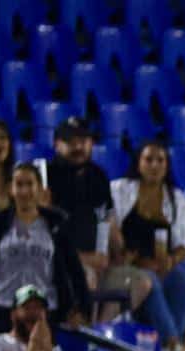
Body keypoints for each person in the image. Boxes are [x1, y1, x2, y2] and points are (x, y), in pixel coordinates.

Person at [0, 163, 90, 333]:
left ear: (40, 189)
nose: (24, 191)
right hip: (2, 309)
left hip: (44, 311)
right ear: (10, 189)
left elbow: (75, 269)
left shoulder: (57, 224)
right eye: (19, 185)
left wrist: (81, 308)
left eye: (30, 184)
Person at [110, 141, 185, 351]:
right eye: (149, 160)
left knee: (183, 281)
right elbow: (108, 229)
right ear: (138, 163)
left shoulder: (178, 199)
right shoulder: (119, 190)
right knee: (150, 280)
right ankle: (173, 344)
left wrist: (171, 260)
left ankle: (169, 348)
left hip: (160, 264)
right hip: (126, 264)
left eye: (160, 160)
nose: (154, 165)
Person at [44, 117, 114, 296]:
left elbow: (106, 220)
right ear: (56, 144)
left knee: (142, 281)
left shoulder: (98, 176)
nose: (78, 147)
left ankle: (103, 323)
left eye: (83, 141)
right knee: (84, 276)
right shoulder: (45, 176)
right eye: (70, 142)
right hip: (56, 258)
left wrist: (105, 253)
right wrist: (81, 258)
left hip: (98, 259)